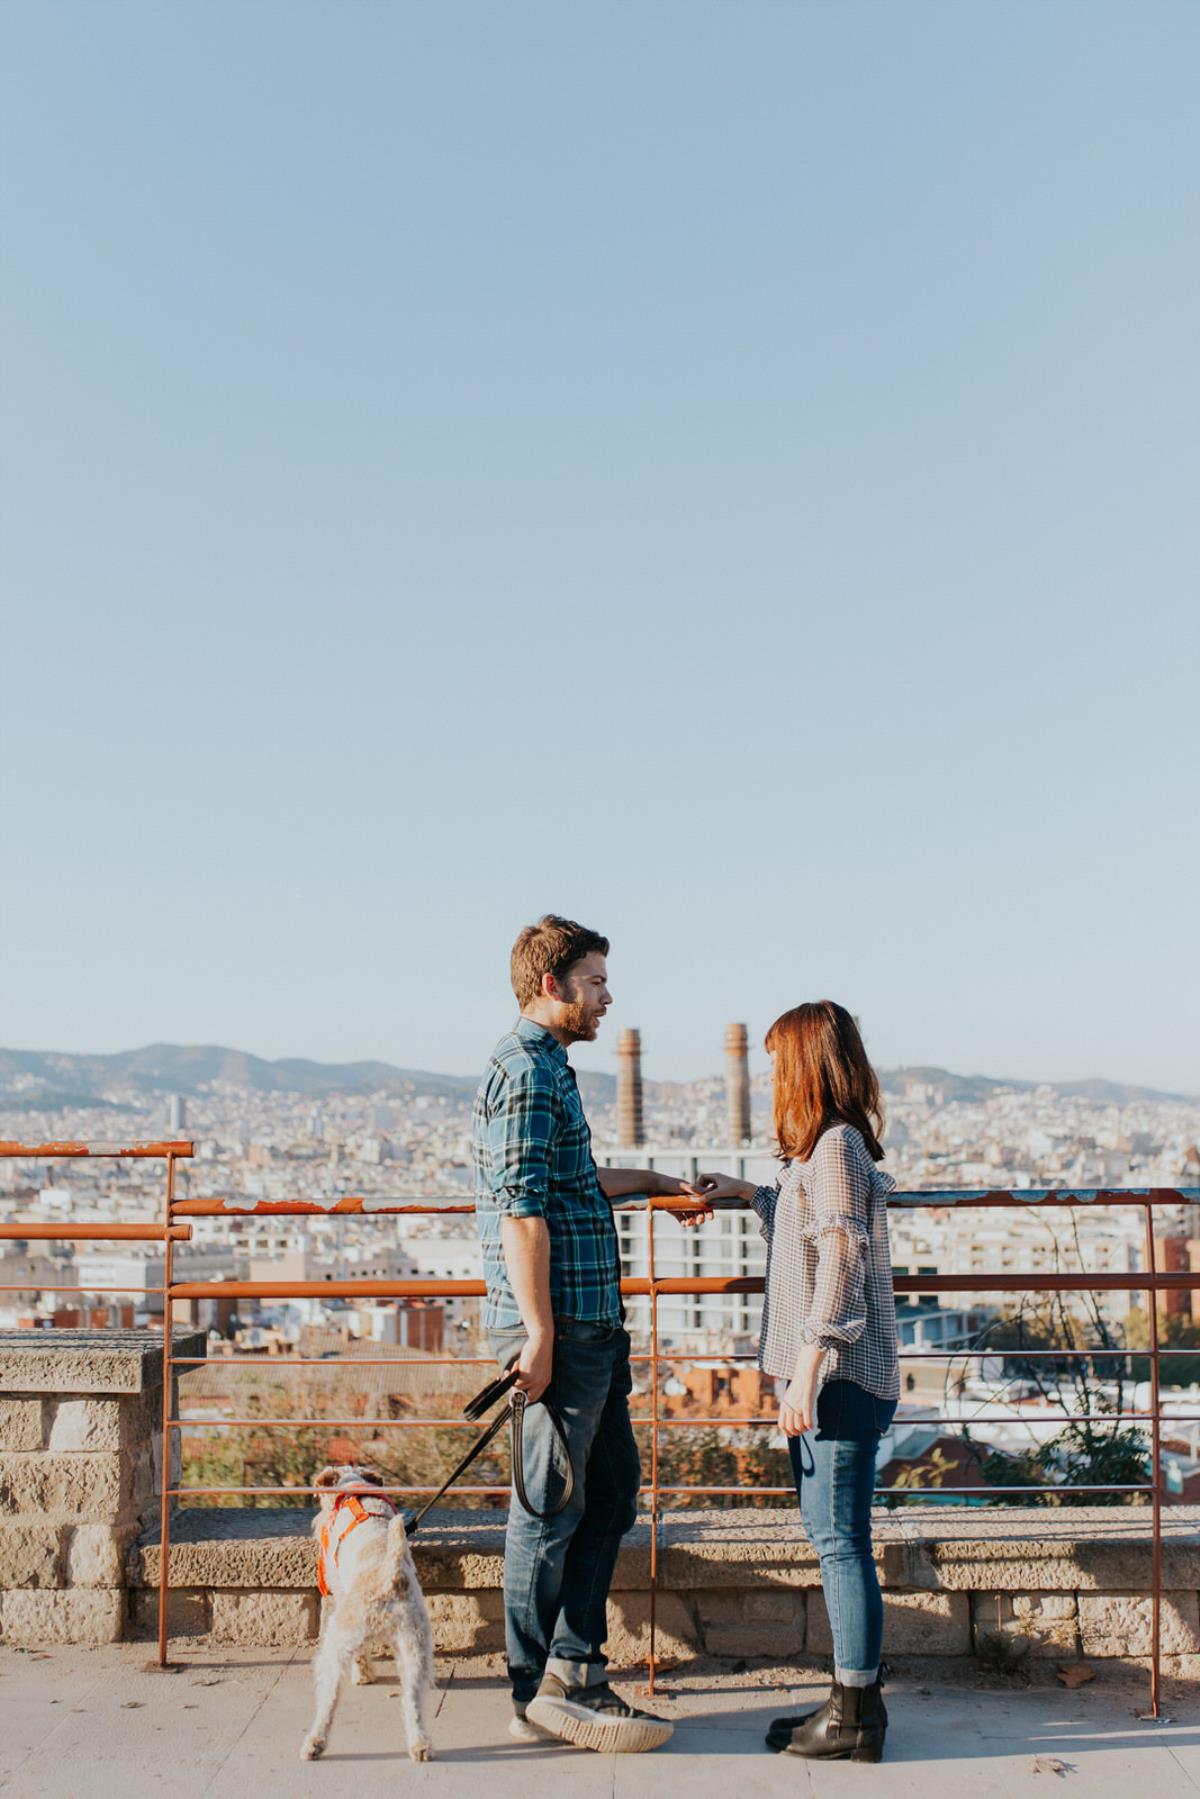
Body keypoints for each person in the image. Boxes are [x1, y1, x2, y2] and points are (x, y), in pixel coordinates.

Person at [472, 914, 710, 1754]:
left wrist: (656, 1182)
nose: (610, 996)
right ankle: (533, 1687)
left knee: (608, 1492)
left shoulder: (551, 1070)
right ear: (553, 984)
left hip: (585, 1324)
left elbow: (572, 1184)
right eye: (598, 981)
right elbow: (521, 1210)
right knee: (549, 1503)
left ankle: (576, 1668)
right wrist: (537, 1334)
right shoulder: (528, 1074)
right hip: (561, 1328)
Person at [697, 1000, 899, 1764]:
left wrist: (809, 1369)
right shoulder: (820, 1153)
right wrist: (747, 1193)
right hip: (830, 1374)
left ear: (806, 1066)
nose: (772, 1075)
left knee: (841, 1542)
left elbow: (842, 1255)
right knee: (832, 1537)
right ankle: (850, 1703)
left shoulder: (839, 1146)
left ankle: (856, 1717)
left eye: (780, 1062)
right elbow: (810, 1229)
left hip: (839, 1376)